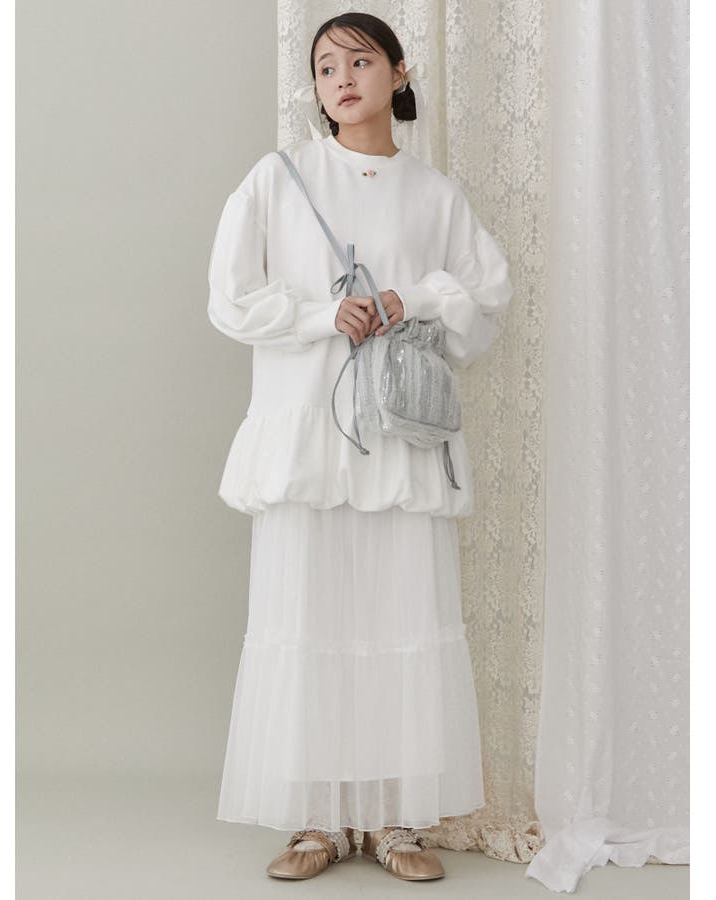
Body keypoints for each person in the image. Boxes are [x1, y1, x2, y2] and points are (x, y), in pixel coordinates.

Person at [206, 11, 513, 883]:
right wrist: (318, 314)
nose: (341, 79)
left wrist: (413, 299)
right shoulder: (280, 178)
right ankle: (318, 819)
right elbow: (230, 298)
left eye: (360, 61)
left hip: (398, 439)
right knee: (308, 612)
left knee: (398, 611)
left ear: (398, 71)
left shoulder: (434, 194)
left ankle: (393, 819)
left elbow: (487, 299)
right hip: (308, 433)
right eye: (325, 67)